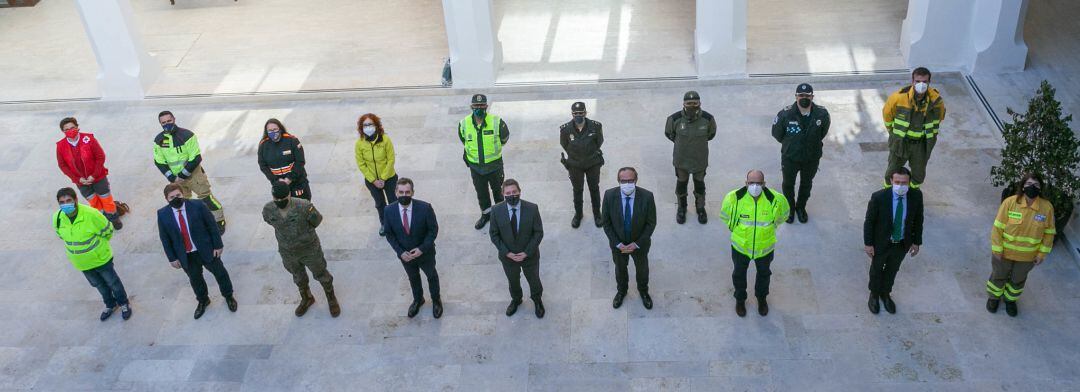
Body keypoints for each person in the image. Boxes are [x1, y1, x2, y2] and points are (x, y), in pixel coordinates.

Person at [157, 183, 237, 319]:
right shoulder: (163, 214)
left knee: (220, 273)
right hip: (186, 255)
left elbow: (212, 225)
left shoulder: (197, 206)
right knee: (195, 279)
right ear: (167, 199)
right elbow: (165, 238)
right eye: (172, 197)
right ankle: (203, 300)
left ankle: (228, 296)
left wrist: (218, 245)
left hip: (206, 249)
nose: (176, 198)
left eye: (178, 195)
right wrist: (172, 258)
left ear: (183, 194)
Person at [262, 182, 340, 317]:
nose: (280, 201)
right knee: (298, 277)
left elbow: (317, 220)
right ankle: (307, 298)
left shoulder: (304, 206)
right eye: (277, 199)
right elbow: (268, 221)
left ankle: (331, 297)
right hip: (288, 252)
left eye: (283, 198)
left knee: (321, 273)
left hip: (309, 249)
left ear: (289, 195)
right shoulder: (269, 209)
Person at [53, 187, 131, 321]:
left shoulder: (91, 214)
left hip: (100, 259)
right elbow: (60, 234)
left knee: (113, 283)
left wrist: (96, 248)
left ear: (76, 200)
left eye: (69, 200)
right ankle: (110, 305)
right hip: (82, 263)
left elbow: (108, 231)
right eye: (62, 202)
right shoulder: (58, 217)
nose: (66, 204)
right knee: (99, 285)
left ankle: (124, 303)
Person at [719, 170, 790, 317]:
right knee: (739, 274)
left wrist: (770, 228)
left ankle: (762, 298)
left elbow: (783, 215)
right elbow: (725, 217)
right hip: (740, 248)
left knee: (764, 274)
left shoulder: (776, 199)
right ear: (746, 183)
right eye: (751, 183)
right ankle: (740, 300)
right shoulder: (734, 198)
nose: (755, 186)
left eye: (758, 183)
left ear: (764, 184)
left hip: (764, 249)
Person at [988, 173, 1055, 317]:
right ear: (1023, 186)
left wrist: (1041, 254)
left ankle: (1010, 300)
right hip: (1004, 253)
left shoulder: (1046, 208)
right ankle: (993, 298)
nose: (1032, 187)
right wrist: (997, 249)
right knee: (998, 276)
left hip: (1027, 257)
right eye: (1029, 184)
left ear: (1041, 188)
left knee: (1017, 280)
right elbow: (997, 228)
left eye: (1036, 185)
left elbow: (1049, 233)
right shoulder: (1010, 203)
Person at [153, 111, 227, 234]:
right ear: (160, 124)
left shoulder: (186, 135)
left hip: (194, 175)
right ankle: (195, 223)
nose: (167, 124)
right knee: (184, 203)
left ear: (174, 119)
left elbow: (196, 158)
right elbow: (159, 162)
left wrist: (182, 175)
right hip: (176, 179)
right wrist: (172, 178)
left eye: (169, 121)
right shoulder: (159, 140)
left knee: (206, 198)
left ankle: (220, 221)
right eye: (163, 122)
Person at [863, 167, 924, 314]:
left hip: (902, 243)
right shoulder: (879, 197)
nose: (901, 186)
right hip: (881, 243)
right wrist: (868, 243)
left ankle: (885, 293)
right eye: (897, 182)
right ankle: (874, 294)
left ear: (909, 183)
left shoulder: (916, 196)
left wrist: (916, 242)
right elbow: (869, 222)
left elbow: (918, 220)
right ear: (891, 181)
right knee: (876, 269)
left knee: (892, 269)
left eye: (904, 183)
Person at [382, 178, 442, 318]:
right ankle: (418, 299)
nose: (404, 195)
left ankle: (436, 300)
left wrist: (422, 248)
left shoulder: (425, 208)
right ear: (396, 192)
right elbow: (389, 234)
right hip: (405, 255)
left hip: (425, 253)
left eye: (407, 192)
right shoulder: (389, 210)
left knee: (431, 275)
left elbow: (433, 230)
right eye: (401, 192)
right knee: (413, 277)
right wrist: (400, 252)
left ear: (412, 192)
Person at [55, 117, 128, 230]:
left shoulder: (88, 139)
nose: (70, 130)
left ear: (78, 127)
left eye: (73, 127)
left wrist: (93, 175)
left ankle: (114, 219)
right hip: (81, 182)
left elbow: (100, 157)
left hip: (98, 177)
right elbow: (62, 165)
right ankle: (102, 219)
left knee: (106, 200)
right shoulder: (61, 146)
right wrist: (77, 179)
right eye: (67, 129)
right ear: (63, 131)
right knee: (94, 202)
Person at [772, 83, 830, 224]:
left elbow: (822, 132)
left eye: (807, 95)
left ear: (812, 96)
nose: (804, 98)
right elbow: (777, 134)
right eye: (801, 95)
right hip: (790, 158)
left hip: (811, 158)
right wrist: (792, 145)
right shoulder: (785, 114)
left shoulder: (821, 114)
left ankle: (800, 208)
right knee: (788, 184)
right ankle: (790, 209)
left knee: (806, 184)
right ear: (796, 96)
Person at [600, 167, 657, 310]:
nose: (627, 184)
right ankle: (621, 291)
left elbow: (651, 223)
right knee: (620, 269)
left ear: (636, 180)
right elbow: (606, 223)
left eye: (630, 180)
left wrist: (637, 244)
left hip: (640, 245)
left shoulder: (647, 196)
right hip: (618, 245)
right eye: (623, 181)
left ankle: (643, 291)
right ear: (618, 181)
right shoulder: (609, 195)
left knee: (642, 269)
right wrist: (617, 244)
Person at [488, 179, 545, 318]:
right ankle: (516, 299)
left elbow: (538, 232)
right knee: (513, 281)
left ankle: (537, 300)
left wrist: (527, 252)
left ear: (520, 191)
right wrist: (507, 253)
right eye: (508, 193)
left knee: (534, 280)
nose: (512, 195)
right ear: (503, 194)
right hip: (508, 258)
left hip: (529, 256)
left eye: (514, 192)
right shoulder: (496, 211)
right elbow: (494, 235)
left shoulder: (532, 208)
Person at [882, 67, 946, 189]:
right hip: (901, 142)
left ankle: (913, 194)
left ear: (929, 82)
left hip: (921, 145)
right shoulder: (898, 98)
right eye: (917, 81)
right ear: (912, 81)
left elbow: (940, 118)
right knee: (891, 171)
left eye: (925, 82)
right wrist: (894, 135)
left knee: (919, 175)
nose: (921, 84)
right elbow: (887, 117)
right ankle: (888, 194)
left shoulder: (936, 101)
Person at [458, 94, 510, 230]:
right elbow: (463, 139)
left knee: (498, 193)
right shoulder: (464, 124)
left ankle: (501, 216)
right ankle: (486, 215)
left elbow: (504, 139)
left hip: (494, 167)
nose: (479, 108)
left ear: (486, 107)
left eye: (482, 106)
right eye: (476, 106)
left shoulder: (497, 122)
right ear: (471, 107)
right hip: (476, 168)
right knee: (482, 194)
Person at [665, 91, 717, 225]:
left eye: (695, 103)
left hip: (699, 161)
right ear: (683, 104)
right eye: (689, 103)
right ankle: (682, 208)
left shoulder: (708, 119)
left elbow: (711, 134)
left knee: (699, 185)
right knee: (681, 184)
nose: (692, 106)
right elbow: (669, 133)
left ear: (700, 103)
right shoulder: (674, 119)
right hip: (681, 160)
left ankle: (700, 209)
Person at [559, 101, 605, 228]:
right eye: (575, 113)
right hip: (575, 165)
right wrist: (576, 155)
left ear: (585, 112)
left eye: (581, 113)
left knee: (594, 189)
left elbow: (599, 142)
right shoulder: (565, 129)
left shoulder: (595, 126)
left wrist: (588, 153)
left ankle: (597, 214)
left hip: (592, 163)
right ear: (572, 114)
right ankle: (578, 214)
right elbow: (564, 144)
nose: (578, 115)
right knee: (577, 190)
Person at [354, 113, 398, 236]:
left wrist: (383, 178)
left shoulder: (385, 140)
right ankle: (384, 224)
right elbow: (361, 164)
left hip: (389, 178)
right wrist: (373, 180)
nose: (368, 127)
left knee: (393, 202)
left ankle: (396, 224)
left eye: (370, 124)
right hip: (372, 180)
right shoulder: (359, 144)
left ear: (376, 125)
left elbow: (391, 159)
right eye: (365, 125)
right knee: (380, 204)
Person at [258, 118, 310, 200]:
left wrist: (289, 179)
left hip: (297, 183)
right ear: (266, 131)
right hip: (279, 185)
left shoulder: (292, 141)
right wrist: (276, 181)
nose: (273, 132)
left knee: (303, 208)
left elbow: (300, 161)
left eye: (275, 129)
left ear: (280, 129)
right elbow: (263, 165)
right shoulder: (263, 145)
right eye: (270, 130)